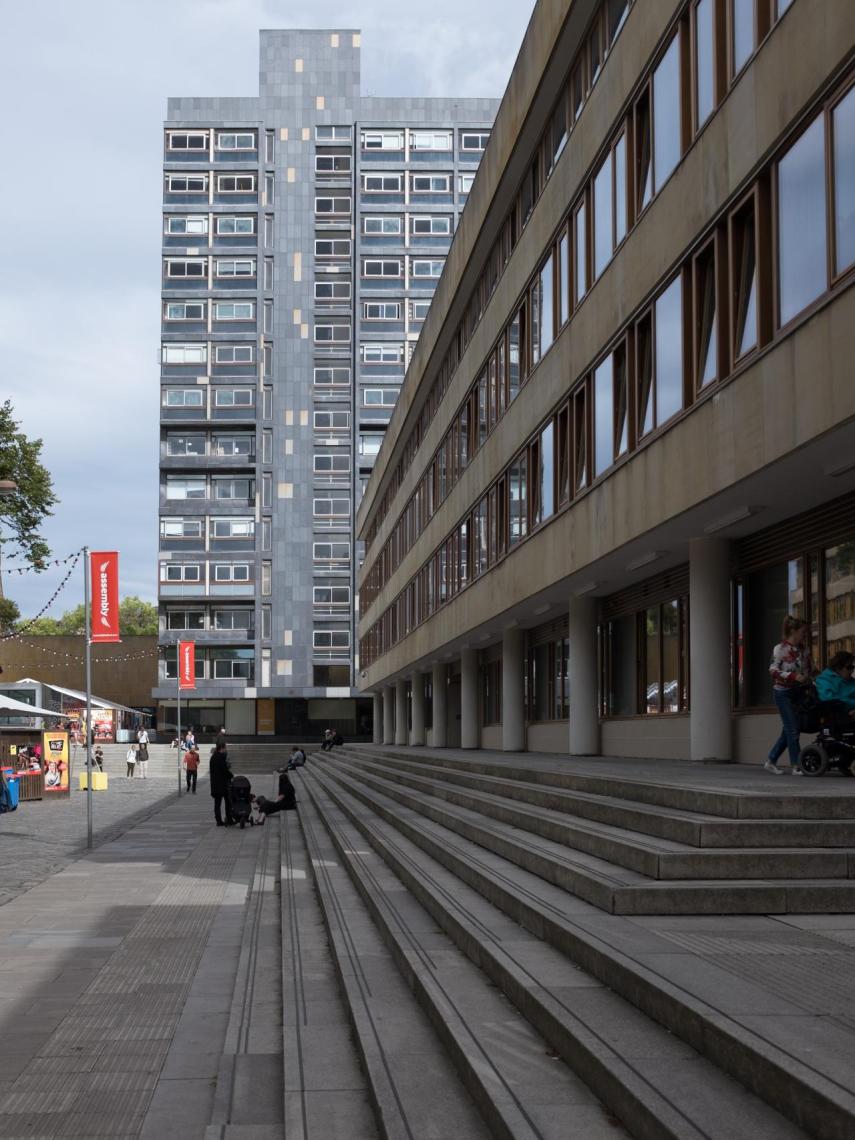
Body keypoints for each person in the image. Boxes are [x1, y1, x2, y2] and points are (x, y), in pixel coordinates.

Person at [765, 615, 815, 775]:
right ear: (793, 631)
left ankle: (771, 760)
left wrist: (818, 677)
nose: (805, 635)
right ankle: (797, 765)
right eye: (803, 632)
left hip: (799, 692)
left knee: (790, 729)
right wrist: (793, 676)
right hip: (783, 693)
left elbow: (811, 669)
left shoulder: (804, 650)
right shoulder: (780, 649)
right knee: (793, 729)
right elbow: (773, 670)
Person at [815, 651, 855, 716]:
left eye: (853, 667)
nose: (852, 670)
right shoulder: (824, 680)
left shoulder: (850, 680)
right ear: (838, 667)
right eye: (849, 667)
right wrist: (850, 707)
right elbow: (829, 700)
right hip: (840, 716)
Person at [209, 739, 234, 826]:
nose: (226, 749)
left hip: (215, 784)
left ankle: (218, 821)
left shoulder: (213, 757)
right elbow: (224, 770)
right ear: (222, 748)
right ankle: (229, 819)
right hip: (223, 784)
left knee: (217, 803)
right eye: (225, 747)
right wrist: (231, 775)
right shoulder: (221, 757)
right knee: (228, 802)